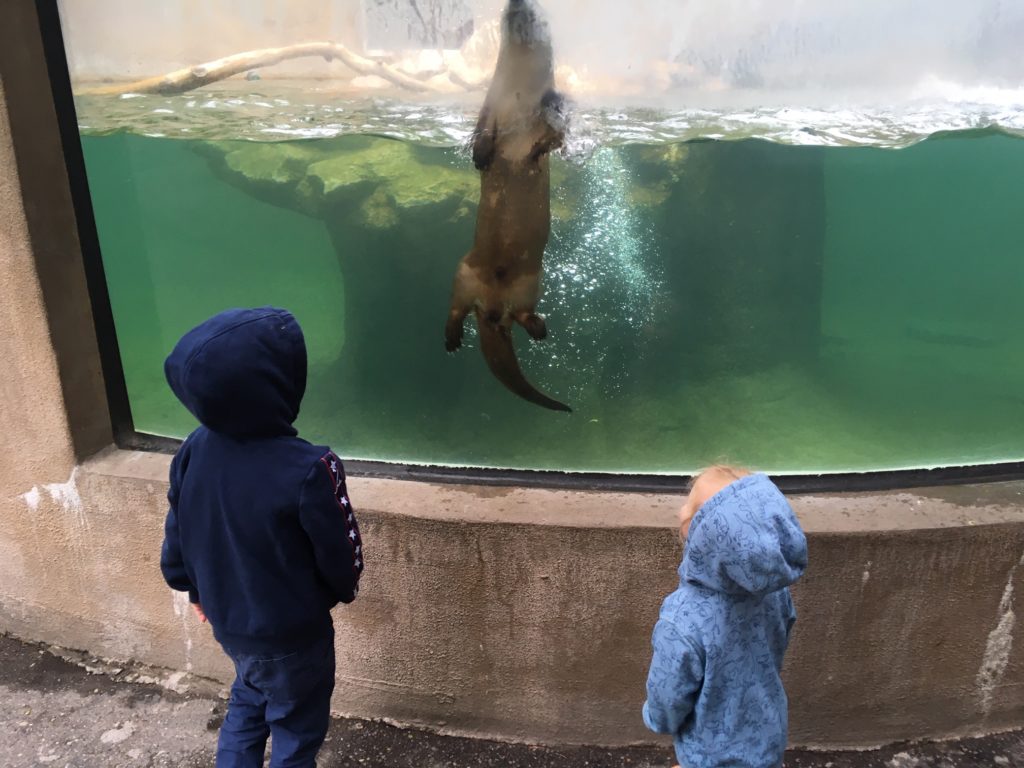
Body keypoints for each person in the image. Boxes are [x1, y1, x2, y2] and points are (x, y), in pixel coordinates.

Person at [160, 307, 364, 768]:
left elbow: (180, 525)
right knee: (297, 725)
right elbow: (339, 549)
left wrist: (191, 588)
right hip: (295, 633)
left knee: (248, 703)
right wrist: (339, 592)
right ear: (281, 384)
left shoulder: (194, 446)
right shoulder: (312, 467)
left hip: (229, 624)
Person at [643, 465, 807, 768]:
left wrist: (657, 718)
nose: (681, 509)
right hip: (767, 742)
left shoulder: (684, 618)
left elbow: (668, 693)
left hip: (709, 756)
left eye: (689, 506)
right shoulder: (774, 593)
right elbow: (779, 643)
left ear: (700, 534)